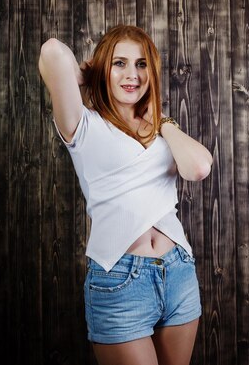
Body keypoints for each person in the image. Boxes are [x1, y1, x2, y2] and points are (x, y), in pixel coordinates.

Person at [38, 25, 213, 365]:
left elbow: (198, 168)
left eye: (141, 64)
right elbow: (53, 53)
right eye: (120, 63)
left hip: (177, 273)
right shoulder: (82, 125)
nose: (132, 74)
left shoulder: (162, 130)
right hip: (120, 280)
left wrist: (163, 123)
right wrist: (95, 72)